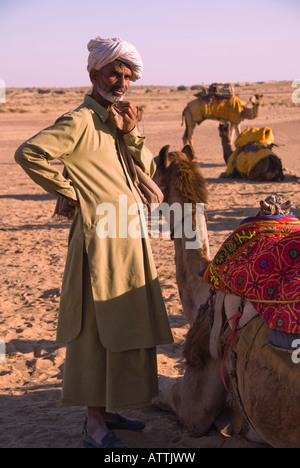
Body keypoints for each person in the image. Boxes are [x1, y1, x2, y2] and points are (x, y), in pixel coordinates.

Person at [15, 37, 173, 449]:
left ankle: (109, 406)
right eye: (112, 74)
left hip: (129, 237)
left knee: (123, 323)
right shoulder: (81, 121)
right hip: (98, 243)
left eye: (126, 76)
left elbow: (150, 168)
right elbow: (28, 153)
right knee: (93, 328)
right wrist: (74, 191)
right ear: (93, 75)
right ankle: (92, 423)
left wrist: (133, 131)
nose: (120, 82)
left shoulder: (116, 120)